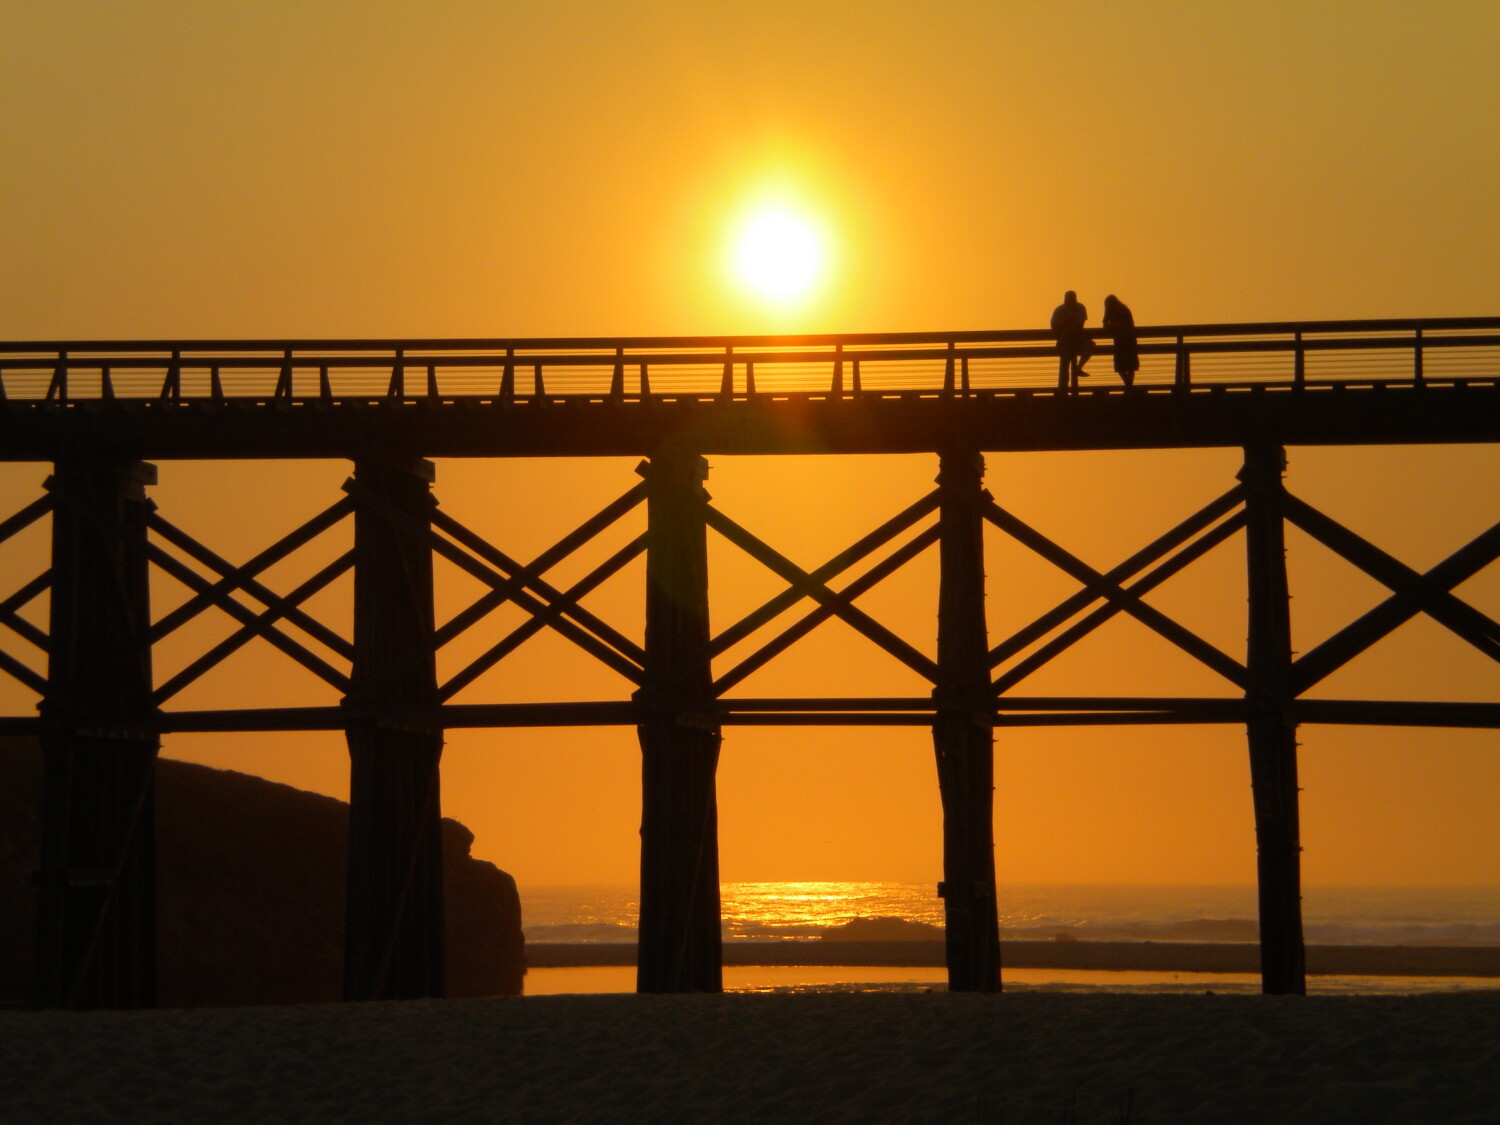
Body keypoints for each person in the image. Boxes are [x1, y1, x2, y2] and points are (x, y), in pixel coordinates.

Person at [1050, 291, 1094, 389]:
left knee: (1090, 345)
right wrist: (1068, 320)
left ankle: (1078, 368)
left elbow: (1080, 324)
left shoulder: (1080, 308)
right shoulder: (1059, 309)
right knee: (1065, 363)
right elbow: (1053, 325)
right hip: (1064, 340)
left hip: (1077, 339)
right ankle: (1063, 388)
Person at [1102, 294, 1139, 387]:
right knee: (1125, 366)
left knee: (1127, 366)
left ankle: (1128, 386)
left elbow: (1126, 325)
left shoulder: (1123, 310)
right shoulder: (1115, 311)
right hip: (1122, 341)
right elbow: (1104, 323)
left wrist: (1113, 326)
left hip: (1126, 340)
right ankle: (1129, 385)